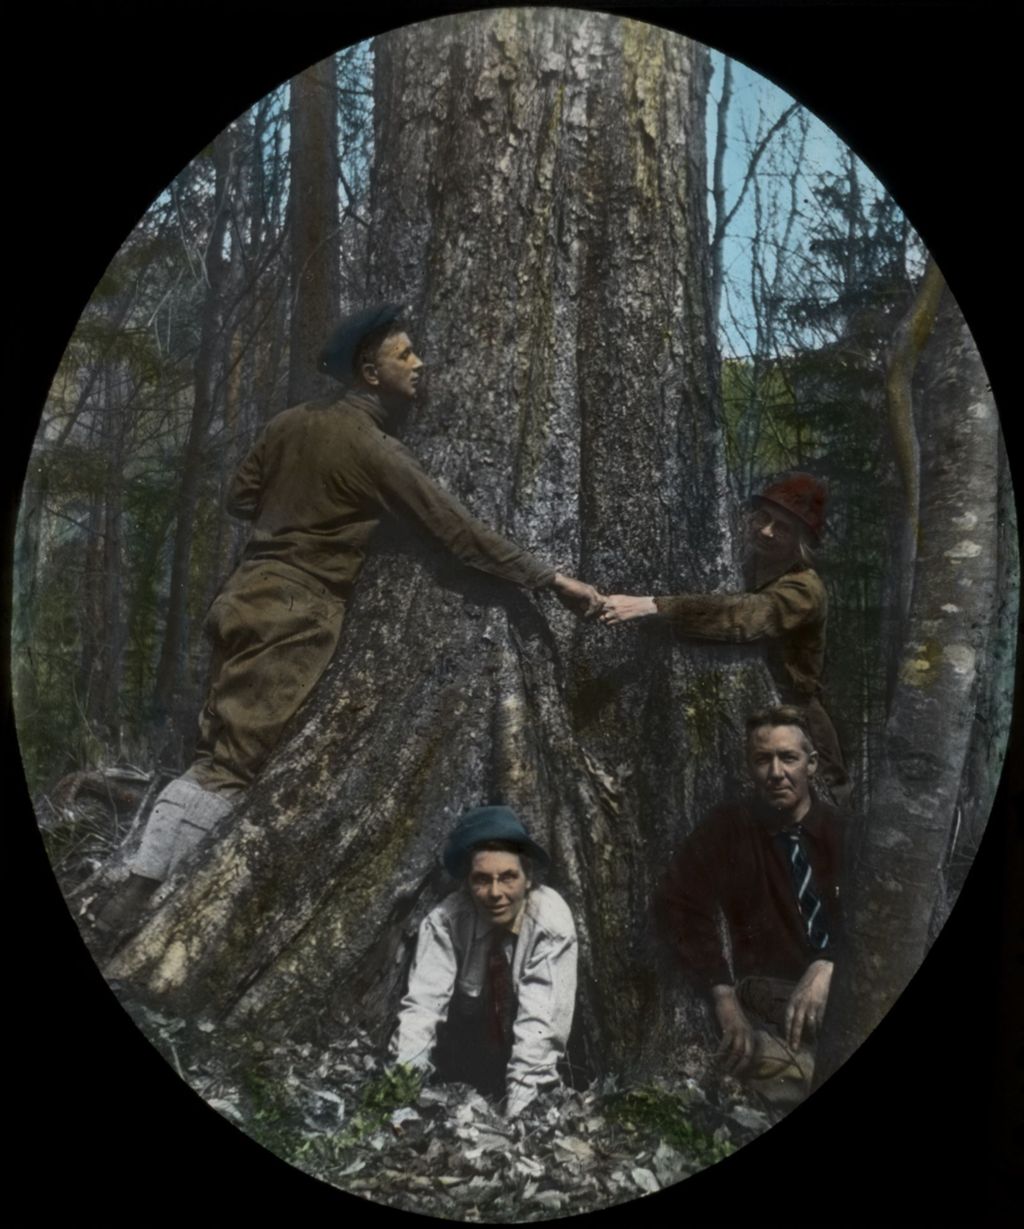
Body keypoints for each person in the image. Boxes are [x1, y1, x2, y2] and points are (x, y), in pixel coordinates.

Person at [90, 305, 601, 947]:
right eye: (404, 356)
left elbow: (239, 498)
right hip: (293, 618)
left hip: (242, 600)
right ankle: (142, 906)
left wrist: (305, 507)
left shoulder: (288, 423)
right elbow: (458, 533)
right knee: (233, 768)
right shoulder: (373, 448)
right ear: (369, 372)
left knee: (211, 751)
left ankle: (134, 894)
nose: (419, 365)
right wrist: (550, 579)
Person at [598, 471, 851, 805]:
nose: (766, 531)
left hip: (801, 728)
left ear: (800, 541)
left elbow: (746, 617)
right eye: (763, 518)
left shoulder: (805, 589)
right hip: (753, 719)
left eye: (783, 527)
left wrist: (653, 606)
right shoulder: (744, 563)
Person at [656, 706, 843, 1106]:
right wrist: (722, 995)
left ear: (811, 765)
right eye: (763, 760)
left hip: (842, 993)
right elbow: (678, 900)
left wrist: (828, 962)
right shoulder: (732, 826)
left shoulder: (844, 832)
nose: (775, 772)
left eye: (788, 758)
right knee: (762, 1062)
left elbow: (878, 923)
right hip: (766, 998)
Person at [391, 806, 577, 1117]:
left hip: (526, 1064)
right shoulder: (447, 921)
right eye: (482, 879)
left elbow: (540, 1028)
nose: (495, 893)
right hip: (464, 1065)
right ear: (467, 882)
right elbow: (422, 1008)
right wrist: (400, 1091)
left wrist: (521, 1114)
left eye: (508, 878)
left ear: (528, 877)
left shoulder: (550, 922)